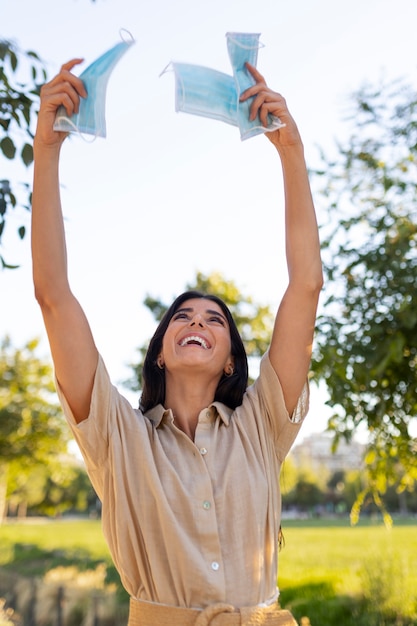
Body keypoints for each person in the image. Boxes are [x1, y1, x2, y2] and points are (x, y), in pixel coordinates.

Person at [31, 57, 322, 626]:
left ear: (233, 357)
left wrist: (291, 153)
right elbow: (53, 296)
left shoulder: (261, 424)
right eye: (182, 317)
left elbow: (306, 285)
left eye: (215, 320)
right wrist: (47, 151)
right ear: (160, 349)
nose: (197, 323)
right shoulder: (116, 435)